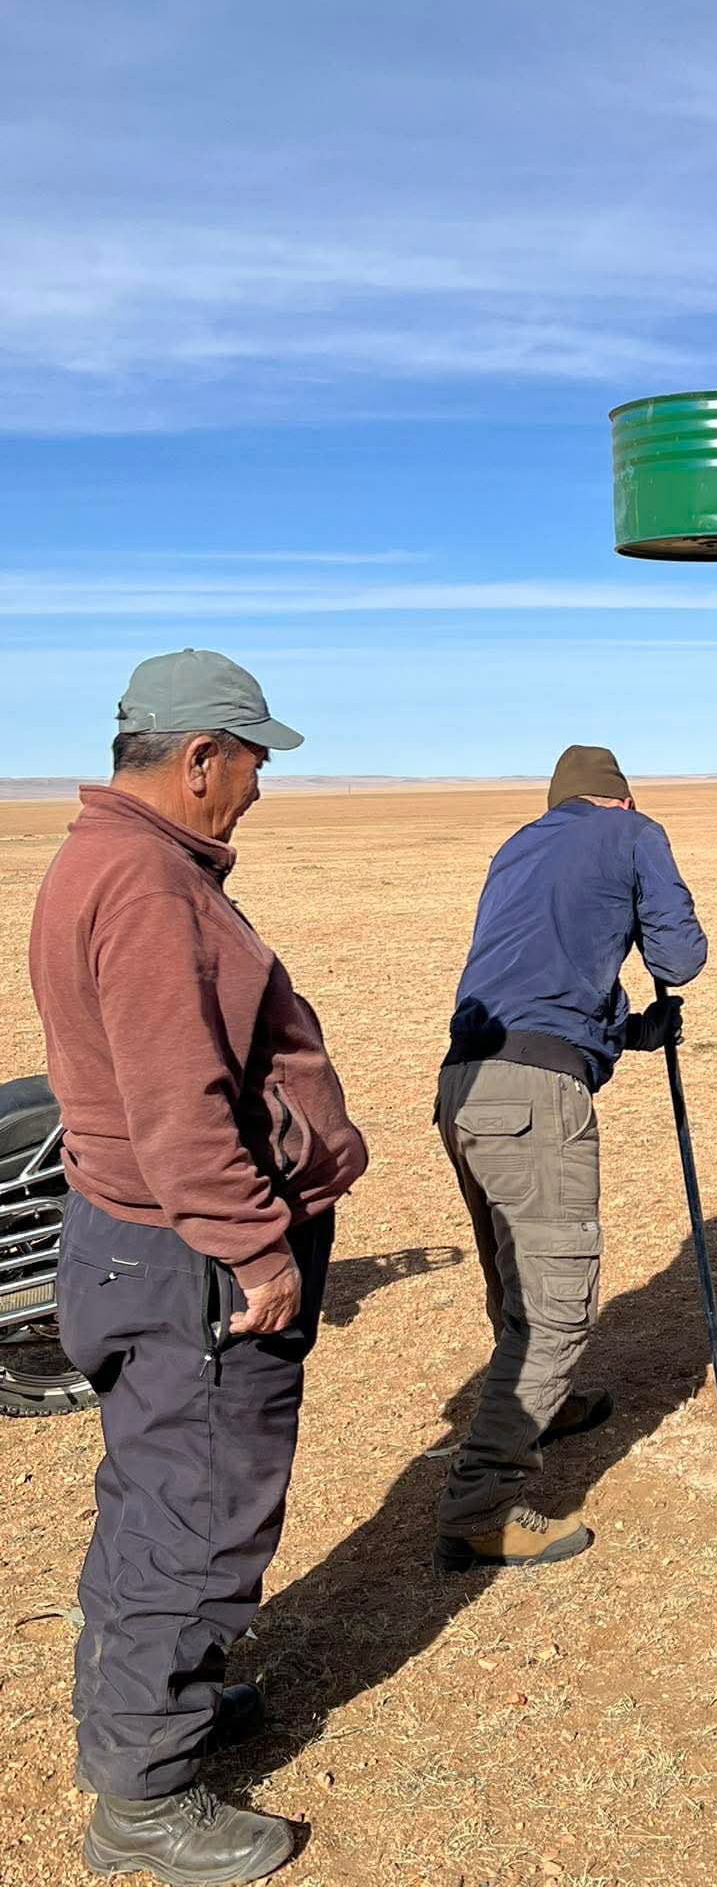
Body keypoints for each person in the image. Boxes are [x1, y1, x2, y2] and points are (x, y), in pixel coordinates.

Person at [30, 649, 367, 1887]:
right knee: (199, 1512)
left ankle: (149, 1711)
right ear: (199, 758)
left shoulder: (104, 859)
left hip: (139, 1246)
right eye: (254, 762)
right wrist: (255, 1244)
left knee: (155, 1495)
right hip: (185, 1259)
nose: (259, 790)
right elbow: (180, 1099)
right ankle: (146, 1800)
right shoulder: (146, 883)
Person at [432, 744, 707, 1574]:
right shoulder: (633, 833)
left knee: (516, 1275)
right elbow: (680, 958)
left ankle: (541, 1410)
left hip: (465, 1083)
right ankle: (480, 1507)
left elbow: (535, 977)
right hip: (532, 1095)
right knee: (556, 1305)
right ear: (620, 801)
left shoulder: (516, 846)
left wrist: (624, 1032)